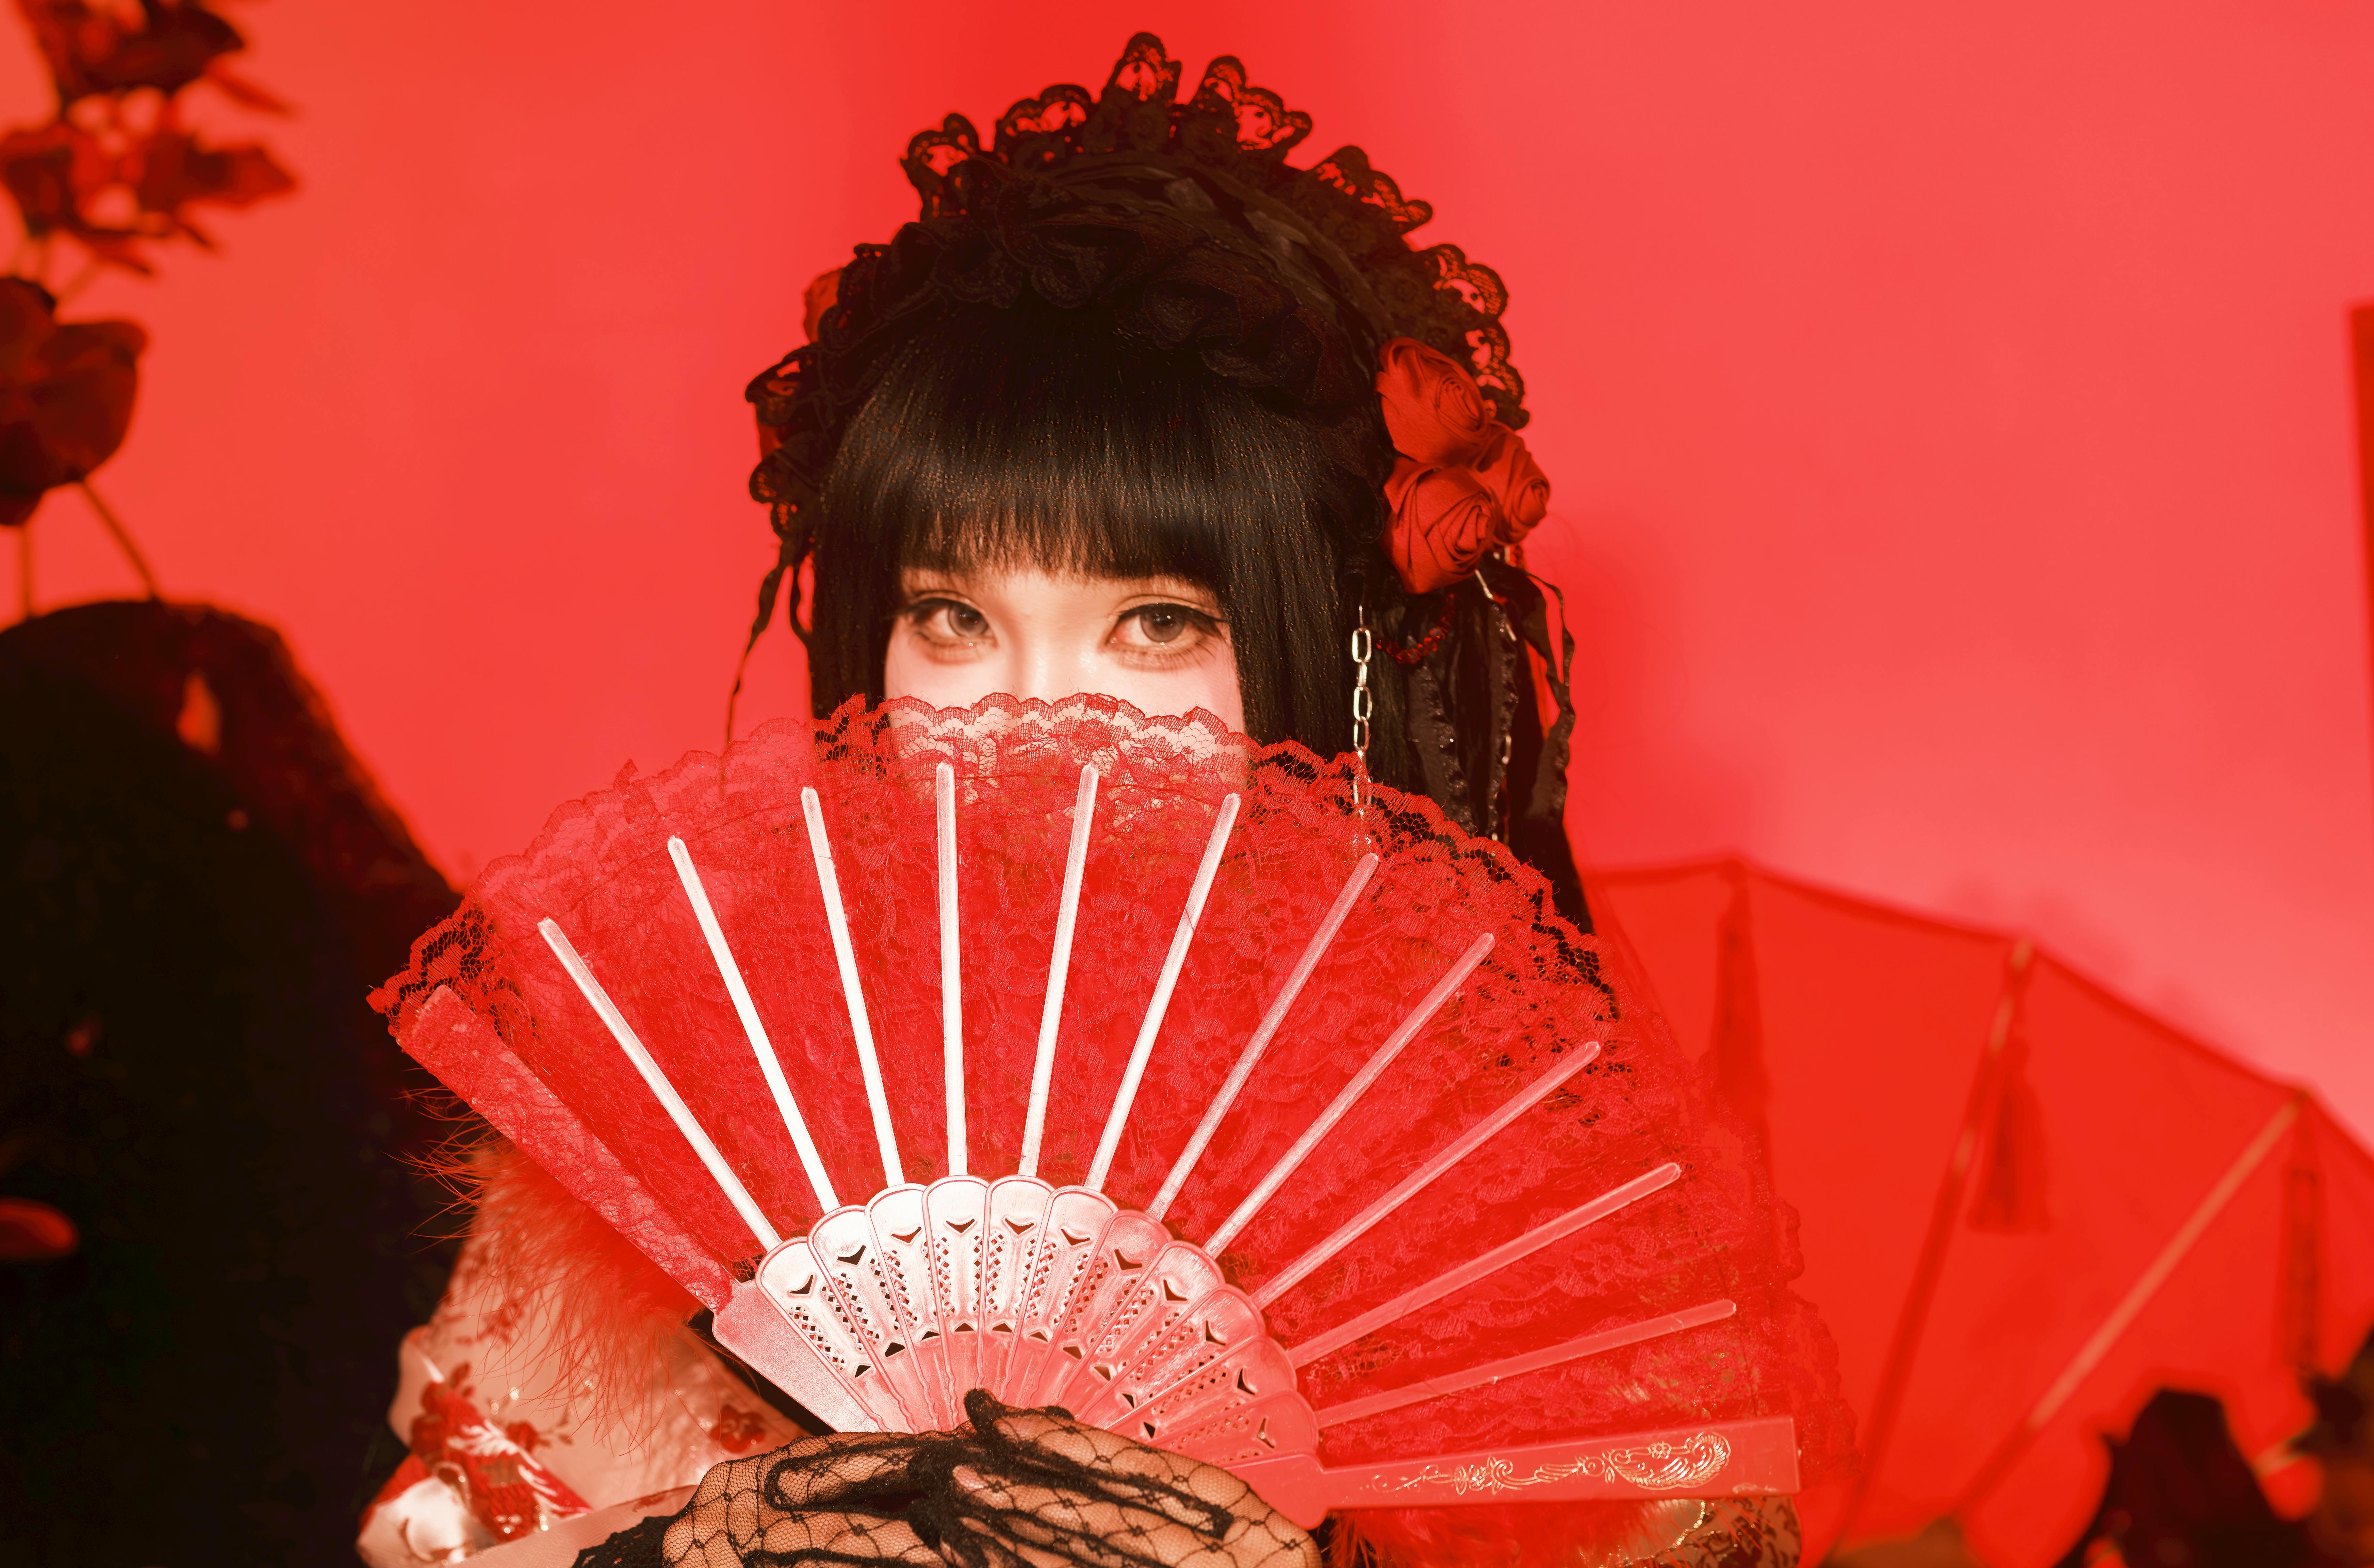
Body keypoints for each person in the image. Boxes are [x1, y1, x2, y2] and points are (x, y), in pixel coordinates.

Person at [362, 34, 1797, 1568]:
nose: (1035, 728)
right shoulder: (690, 1102)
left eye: (1158, 624)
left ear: (1344, 649)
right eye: (951, 619)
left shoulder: (1510, 1189)